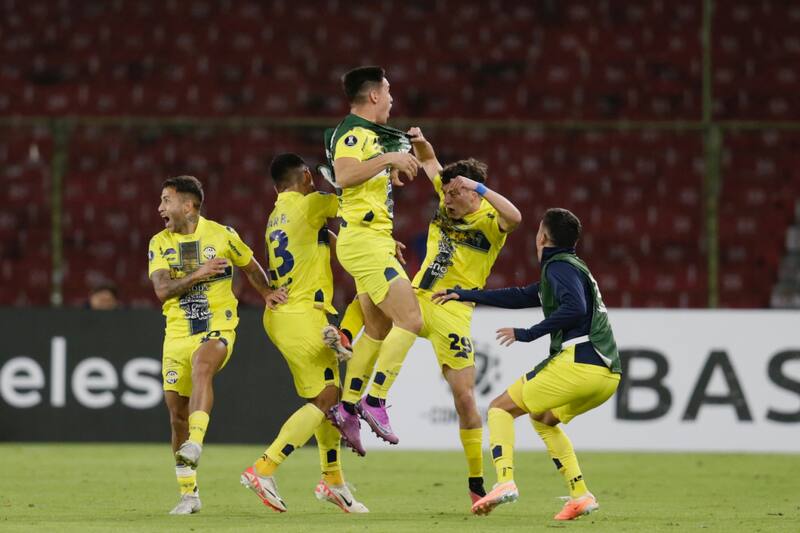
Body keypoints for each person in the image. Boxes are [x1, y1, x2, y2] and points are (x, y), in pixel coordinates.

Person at [433, 208, 621, 520]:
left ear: (543, 237)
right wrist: (464, 294)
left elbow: (575, 308)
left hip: (581, 360)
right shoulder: (572, 267)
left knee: (498, 408)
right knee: (544, 418)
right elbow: (522, 295)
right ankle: (580, 495)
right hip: (607, 373)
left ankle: (505, 481)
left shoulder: (559, 267)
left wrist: (528, 333)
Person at [148, 175, 286, 515]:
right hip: (177, 333)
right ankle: (189, 494)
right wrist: (201, 272)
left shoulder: (223, 235)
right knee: (176, 415)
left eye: (166, 200)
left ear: (188, 205)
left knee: (202, 367)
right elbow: (162, 291)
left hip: (217, 326)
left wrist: (267, 292)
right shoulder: (159, 243)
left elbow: (250, 266)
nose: (160, 207)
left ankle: (196, 442)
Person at [239, 153, 368, 514]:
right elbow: (352, 201)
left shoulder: (278, 214)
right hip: (302, 315)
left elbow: (325, 237)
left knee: (329, 397)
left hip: (285, 314)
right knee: (327, 398)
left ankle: (333, 480)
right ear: (307, 176)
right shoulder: (310, 203)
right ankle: (264, 469)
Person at [323, 65, 424, 453]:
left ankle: (347, 408)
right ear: (375, 96)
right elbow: (344, 176)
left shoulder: (369, 138)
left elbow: (361, 185)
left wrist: (387, 171)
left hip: (373, 239)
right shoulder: (353, 133)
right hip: (363, 242)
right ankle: (375, 400)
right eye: (389, 91)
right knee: (411, 319)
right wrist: (389, 161)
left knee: (378, 329)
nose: (393, 99)